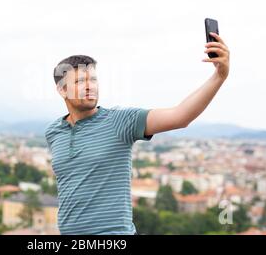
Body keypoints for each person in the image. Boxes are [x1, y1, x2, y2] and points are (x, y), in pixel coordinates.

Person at [45, 33, 230, 234]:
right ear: (62, 90)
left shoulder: (120, 121)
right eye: (81, 81)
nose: (90, 87)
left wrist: (219, 76)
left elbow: (180, 116)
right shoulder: (54, 132)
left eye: (94, 80)